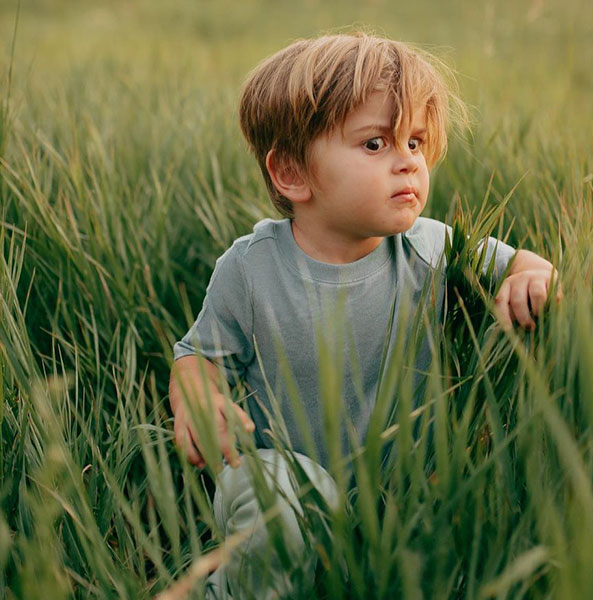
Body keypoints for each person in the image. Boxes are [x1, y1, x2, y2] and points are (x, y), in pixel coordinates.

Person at [169, 32, 558, 599]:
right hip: (276, 471)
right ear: (293, 173)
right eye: (376, 144)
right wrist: (200, 399)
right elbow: (199, 357)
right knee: (286, 516)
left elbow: (529, 265)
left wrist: (532, 278)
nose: (407, 162)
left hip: (404, 490)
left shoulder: (433, 248)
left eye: (417, 142)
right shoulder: (251, 269)